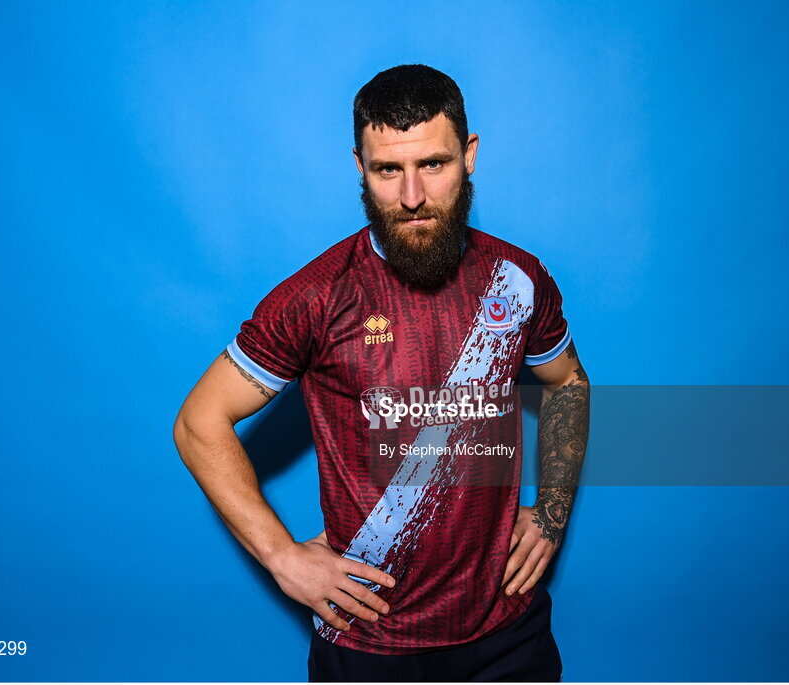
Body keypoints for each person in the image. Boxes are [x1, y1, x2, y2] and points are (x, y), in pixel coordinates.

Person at [173, 64, 590, 682]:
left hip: (509, 633)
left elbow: (567, 384)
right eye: (388, 170)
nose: (413, 195)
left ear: (470, 155)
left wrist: (551, 509)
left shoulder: (517, 279)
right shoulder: (315, 297)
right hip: (368, 643)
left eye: (434, 164)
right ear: (359, 166)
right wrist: (282, 556)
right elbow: (198, 423)